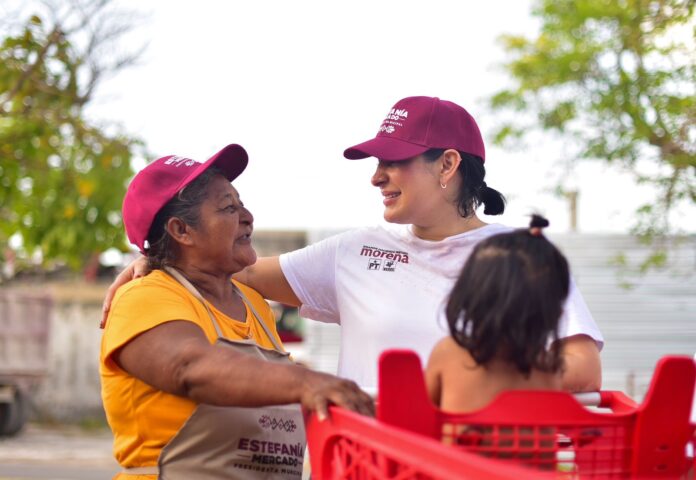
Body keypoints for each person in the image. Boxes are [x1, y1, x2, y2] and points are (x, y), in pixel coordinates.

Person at [103, 96, 603, 393]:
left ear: (448, 165)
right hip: (368, 463)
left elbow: (583, 368)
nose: (377, 177)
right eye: (375, 163)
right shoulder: (355, 252)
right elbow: (231, 269)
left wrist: (468, 393)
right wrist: (153, 258)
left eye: (394, 161)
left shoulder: (524, 257)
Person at [100, 145, 373, 480]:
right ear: (181, 231)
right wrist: (306, 382)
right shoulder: (143, 296)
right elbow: (190, 367)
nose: (248, 217)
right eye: (229, 207)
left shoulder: (253, 304)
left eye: (242, 204)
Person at [425, 215, 568, 412]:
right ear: (554, 310)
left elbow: (420, 414)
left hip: (456, 444)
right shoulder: (548, 365)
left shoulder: (449, 352)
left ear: (468, 295)